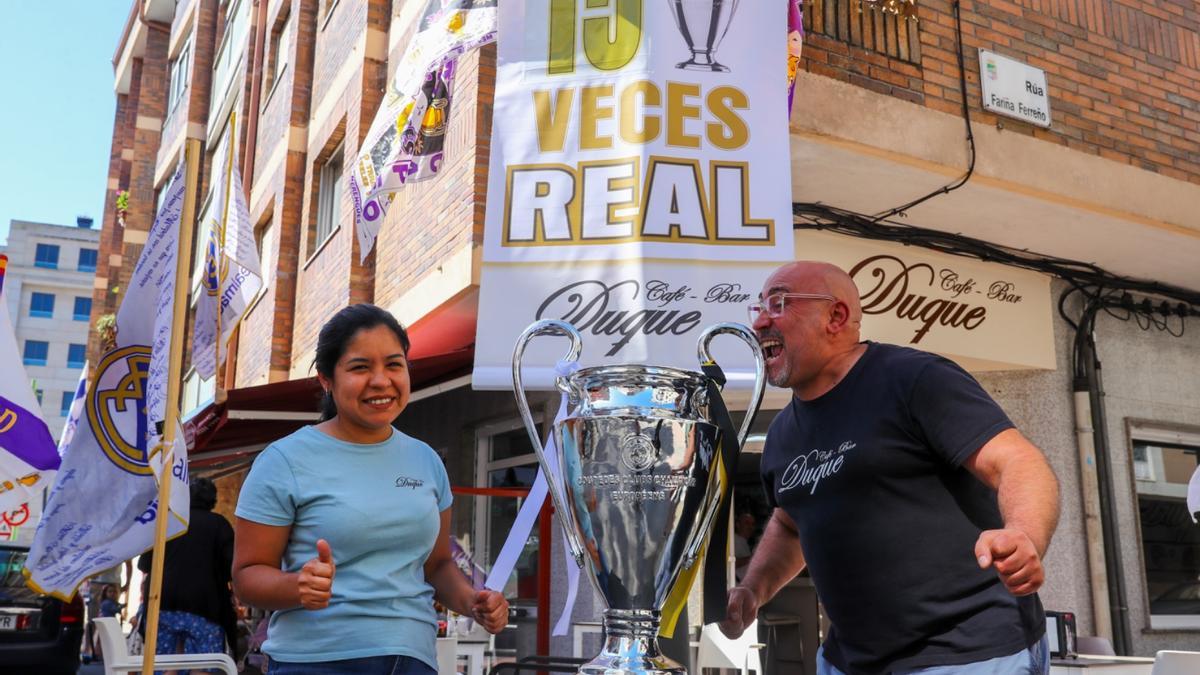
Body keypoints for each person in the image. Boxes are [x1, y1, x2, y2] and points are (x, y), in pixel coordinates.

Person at [720, 261, 1060, 675]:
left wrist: (1024, 533)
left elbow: (1018, 461)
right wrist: (753, 590)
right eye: (758, 308)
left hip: (968, 653)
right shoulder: (783, 433)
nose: (760, 322)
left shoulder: (913, 379)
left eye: (778, 303)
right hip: (848, 661)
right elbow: (791, 525)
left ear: (837, 316)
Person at [232, 304, 508, 675]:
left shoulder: (426, 461)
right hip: (317, 662)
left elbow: (437, 564)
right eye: (360, 368)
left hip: (413, 659)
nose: (381, 381)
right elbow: (247, 576)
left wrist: (472, 600)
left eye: (394, 365)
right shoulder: (284, 460)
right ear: (326, 379)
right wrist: (296, 585)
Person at [138, 476, 237, 667]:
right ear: (212, 500)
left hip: (162, 604)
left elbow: (145, 565)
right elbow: (231, 567)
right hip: (205, 606)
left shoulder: (165, 522)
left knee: (165, 665)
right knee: (202, 665)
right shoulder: (219, 525)